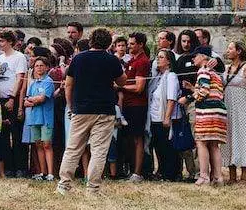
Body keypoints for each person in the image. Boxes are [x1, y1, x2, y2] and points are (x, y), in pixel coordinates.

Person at [56, 28, 127, 195]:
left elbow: (68, 84)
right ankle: (93, 188)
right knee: (99, 150)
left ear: (90, 41)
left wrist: (70, 105)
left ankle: (64, 185)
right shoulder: (111, 60)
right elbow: (122, 81)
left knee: (73, 148)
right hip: (104, 109)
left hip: (81, 109)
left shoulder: (78, 58)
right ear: (109, 43)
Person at [222, 40, 246, 184]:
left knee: (242, 137)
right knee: (229, 136)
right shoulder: (226, 68)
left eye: (230, 48)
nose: (227, 50)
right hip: (228, 106)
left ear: (238, 51)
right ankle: (231, 175)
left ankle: (244, 176)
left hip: (242, 106)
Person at [189, 46, 226, 186]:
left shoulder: (203, 71)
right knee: (214, 144)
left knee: (201, 141)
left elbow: (203, 92)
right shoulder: (215, 73)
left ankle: (204, 176)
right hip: (219, 112)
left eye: (195, 55)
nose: (193, 58)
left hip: (207, 111)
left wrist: (194, 94)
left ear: (204, 57)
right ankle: (218, 177)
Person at [0, 30, 27, 176]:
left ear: (10, 42)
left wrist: (13, 98)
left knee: (17, 134)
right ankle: (8, 167)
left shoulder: (19, 57)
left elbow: (20, 78)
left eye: (2, 41)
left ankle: (20, 166)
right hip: (0, 98)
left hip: (12, 98)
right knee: (4, 136)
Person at [119, 32, 150, 181]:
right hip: (127, 104)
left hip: (138, 105)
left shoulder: (142, 61)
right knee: (129, 139)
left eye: (132, 44)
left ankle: (137, 172)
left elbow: (139, 87)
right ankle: (131, 169)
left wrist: (120, 86)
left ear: (140, 45)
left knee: (138, 138)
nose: (129, 47)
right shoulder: (131, 61)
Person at [148, 49, 181, 181]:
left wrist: (167, 117)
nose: (158, 59)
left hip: (164, 117)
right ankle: (161, 171)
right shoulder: (158, 77)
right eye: (157, 57)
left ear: (168, 61)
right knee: (158, 146)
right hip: (155, 117)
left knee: (167, 147)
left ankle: (170, 174)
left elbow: (171, 98)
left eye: (161, 57)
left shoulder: (171, 76)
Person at [23, 55, 55, 181]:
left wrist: (32, 100)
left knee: (47, 144)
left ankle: (51, 173)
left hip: (46, 118)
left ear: (47, 67)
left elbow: (43, 98)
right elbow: (25, 102)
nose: (39, 68)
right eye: (37, 66)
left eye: (42, 65)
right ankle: (42, 172)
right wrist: (33, 100)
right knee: (38, 145)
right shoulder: (33, 83)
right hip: (34, 118)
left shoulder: (49, 81)